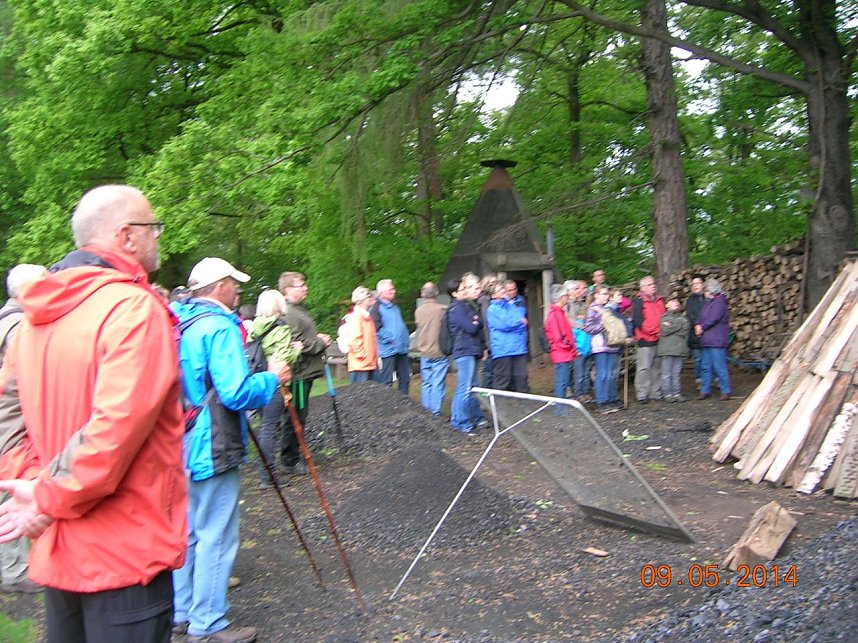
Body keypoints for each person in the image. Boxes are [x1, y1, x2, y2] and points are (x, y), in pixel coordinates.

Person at [0, 185, 188, 642]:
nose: (158, 237)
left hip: (60, 546)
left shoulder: (35, 317)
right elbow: (113, 431)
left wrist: (34, 489)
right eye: (153, 227)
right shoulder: (133, 309)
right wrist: (43, 497)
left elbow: (7, 418)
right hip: (125, 550)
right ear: (127, 236)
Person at [171, 257, 290, 643]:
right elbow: (235, 392)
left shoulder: (180, 321)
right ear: (219, 286)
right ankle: (207, 622)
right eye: (234, 283)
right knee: (217, 534)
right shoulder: (219, 326)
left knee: (190, 530)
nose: (238, 289)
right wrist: (271, 378)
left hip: (182, 438)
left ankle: (181, 610)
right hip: (213, 441)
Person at [0, 264, 47, 595]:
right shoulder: (19, 325)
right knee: (11, 492)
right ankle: (14, 570)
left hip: (6, 420)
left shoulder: (5, 318)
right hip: (12, 426)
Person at [278, 272, 331, 475]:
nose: (305, 288)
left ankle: (295, 455)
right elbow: (295, 344)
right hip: (298, 373)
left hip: (305, 372)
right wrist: (320, 343)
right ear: (287, 289)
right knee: (294, 417)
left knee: (300, 415)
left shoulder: (298, 309)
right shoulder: (288, 312)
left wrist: (317, 339)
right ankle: (289, 461)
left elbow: (303, 338)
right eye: (301, 285)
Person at [252, 290, 290, 489]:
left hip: (257, 379)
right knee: (270, 428)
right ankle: (268, 474)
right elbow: (284, 358)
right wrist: (297, 349)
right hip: (274, 380)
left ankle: (265, 471)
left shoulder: (254, 326)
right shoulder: (280, 328)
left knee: (265, 426)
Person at [448, 275, 487, 433]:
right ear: (454, 293)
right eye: (462, 289)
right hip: (464, 351)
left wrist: (475, 321)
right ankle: (460, 421)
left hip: (473, 349)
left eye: (465, 288)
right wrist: (474, 321)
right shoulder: (456, 309)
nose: (465, 291)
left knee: (473, 386)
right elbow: (471, 328)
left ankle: (474, 417)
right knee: (464, 387)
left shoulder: (467, 306)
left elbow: (479, 323)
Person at [585, 287, 624, 413]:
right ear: (596, 295)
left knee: (609, 374)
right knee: (602, 374)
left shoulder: (607, 309)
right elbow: (589, 328)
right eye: (604, 294)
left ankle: (608, 399)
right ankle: (601, 401)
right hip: (600, 345)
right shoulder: (592, 309)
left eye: (607, 294)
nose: (606, 296)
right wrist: (604, 325)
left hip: (611, 344)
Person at [414, 282, 449, 416]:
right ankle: (435, 412)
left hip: (424, 351)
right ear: (437, 293)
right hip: (439, 351)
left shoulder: (418, 311)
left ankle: (426, 412)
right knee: (438, 383)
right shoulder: (442, 310)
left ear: (422, 294)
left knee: (426, 383)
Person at [487, 280, 529, 392]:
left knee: (521, 380)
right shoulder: (492, 309)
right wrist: (519, 323)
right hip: (503, 349)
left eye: (502, 289)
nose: (503, 291)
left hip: (518, 348)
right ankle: (500, 403)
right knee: (502, 381)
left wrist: (517, 323)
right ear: (493, 295)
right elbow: (505, 324)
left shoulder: (510, 305)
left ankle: (523, 402)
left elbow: (521, 317)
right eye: (500, 290)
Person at [370, 279, 410, 394]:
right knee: (387, 381)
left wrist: (405, 339)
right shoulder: (376, 308)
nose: (394, 291)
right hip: (388, 350)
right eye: (390, 289)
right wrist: (391, 339)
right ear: (382, 292)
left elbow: (400, 326)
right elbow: (376, 328)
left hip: (401, 348)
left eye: (393, 289)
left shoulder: (395, 307)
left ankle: (404, 402)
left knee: (405, 379)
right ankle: (387, 404)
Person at [695, 278, 732, 401]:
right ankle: (705, 390)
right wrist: (697, 325)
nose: (704, 292)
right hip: (707, 340)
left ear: (710, 290)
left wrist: (702, 327)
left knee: (719, 366)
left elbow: (714, 318)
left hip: (716, 340)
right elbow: (700, 316)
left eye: (705, 290)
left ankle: (725, 390)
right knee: (706, 366)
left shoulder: (720, 302)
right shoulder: (709, 303)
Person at [632, 275, 665, 403]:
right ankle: (642, 393)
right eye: (650, 285)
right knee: (644, 368)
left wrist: (661, 331)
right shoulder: (639, 301)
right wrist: (656, 331)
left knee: (657, 367)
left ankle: (655, 392)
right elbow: (639, 322)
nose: (653, 286)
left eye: (653, 284)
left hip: (659, 339)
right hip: (645, 339)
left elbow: (664, 317)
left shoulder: (659, 300)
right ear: (643, 288)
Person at [544, 284, 577, 400]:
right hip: (561, 352)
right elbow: (557, 336)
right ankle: (560, 408)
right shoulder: (555, 314)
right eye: (566, 295)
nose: (568, 297)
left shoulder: (559, 312)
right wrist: (568, 345)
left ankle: (561, 406)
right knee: (562, 382)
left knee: (564, 381)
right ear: (561, 297)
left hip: (564, 352)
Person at [657, 294, 690, 402]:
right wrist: (678, 326)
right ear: (666, 305)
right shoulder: (663, 317)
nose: (676, 303)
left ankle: (677, 393)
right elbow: (665, 330)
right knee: (666, 373)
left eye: (677, 301)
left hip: (679, 349)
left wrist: (672, 326)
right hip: (666, 350)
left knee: (676, 373)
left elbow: (685, 331)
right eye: (672, 301)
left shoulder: (683, 318)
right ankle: (667, 394)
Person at [565, 280, 592, 401]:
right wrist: (581, 325)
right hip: (576, 342)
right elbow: (568, 321)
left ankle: (585, 392)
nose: (580, 291)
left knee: (585, 371)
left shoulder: (582, 303)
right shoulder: (567, 305)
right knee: (578, 371)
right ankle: (578, 393)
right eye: (576, 289)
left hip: (586, 341)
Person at [344, 287, 378, 383]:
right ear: (361, 299)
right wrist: (362, 355)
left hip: (370, 363)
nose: (371, 298)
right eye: (368, 296)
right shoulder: (356, 316)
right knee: (360, 391)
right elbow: (354, 339)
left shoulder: (367, 316)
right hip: (361, 365)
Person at [685, 274, 706, 386]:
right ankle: (699, 379)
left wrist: (704, 325)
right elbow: (690, 315)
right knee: (698, 359)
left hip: (708, 333)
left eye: (697, 283)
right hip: (695, 335)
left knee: (708, 359)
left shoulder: (708, 298)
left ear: (703, 284)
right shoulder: (690, 300)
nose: (695, 286)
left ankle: (712, 379)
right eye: (693, 284)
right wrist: (697, 324)